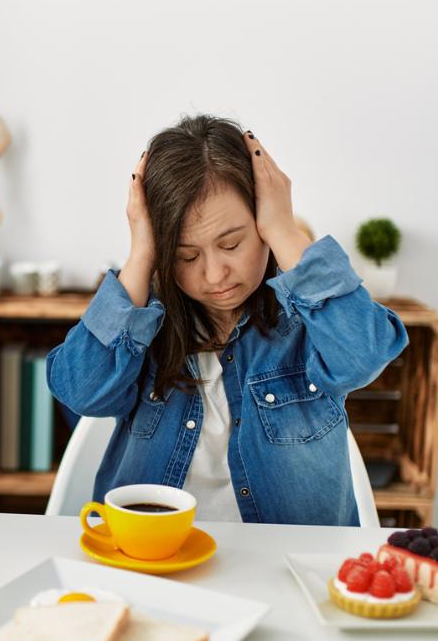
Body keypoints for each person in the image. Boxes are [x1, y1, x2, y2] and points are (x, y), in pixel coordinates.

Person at [47, 114, 407, 525]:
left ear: (263, 225)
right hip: (150, 563)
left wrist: (285, 229)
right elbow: (79, 391)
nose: (215, 274)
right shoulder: (145, 330)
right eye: (187, 255)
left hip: (283, 572)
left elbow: (364, 354)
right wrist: (142, 255)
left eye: (232, 244)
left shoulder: (308, 325)